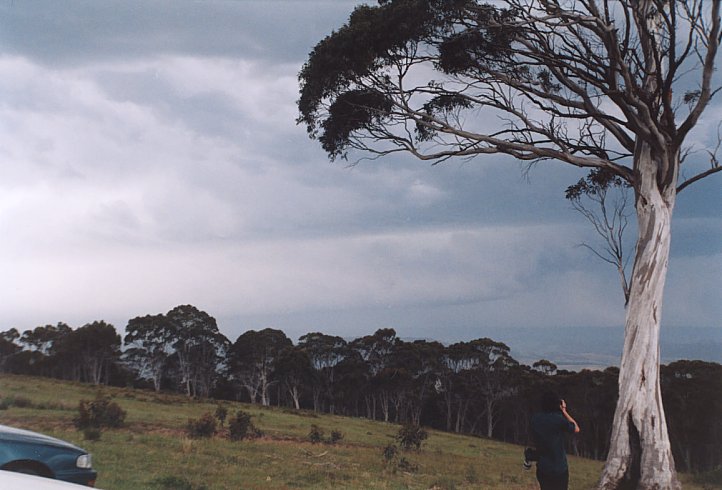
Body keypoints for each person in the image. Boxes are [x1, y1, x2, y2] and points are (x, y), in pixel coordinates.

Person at [530, 391, 580, 490]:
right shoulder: (559, 419)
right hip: (559, 467)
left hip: (543, 466)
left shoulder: (535, 418)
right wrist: (564, 411)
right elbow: (576, 428)